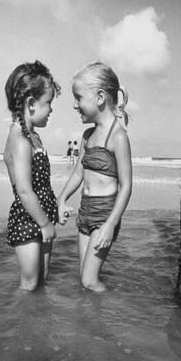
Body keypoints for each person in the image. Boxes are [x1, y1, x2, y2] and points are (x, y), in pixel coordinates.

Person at [58, 62, 132, 292]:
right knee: (83, 278)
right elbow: (79, 172)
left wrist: (110, 224)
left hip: (104, 214)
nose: (75, 105)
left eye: (79, 98)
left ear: (100, 97)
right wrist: (61, 199)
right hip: (85, 211)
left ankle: (114, 316)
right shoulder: (88, 135)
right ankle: (91, 322)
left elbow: (127, 186)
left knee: (89, 280)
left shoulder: (117, 136)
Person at [3, 60, 61, 290]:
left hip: (43, 213)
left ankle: (39, 323)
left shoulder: (33, 137)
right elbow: (25, 190)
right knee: (29, 282)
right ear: (30, 103)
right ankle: (23, 322)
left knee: (42, 277)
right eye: (48, 103)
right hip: (29, 219)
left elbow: (42, 184)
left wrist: (54, 210)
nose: (51, 109)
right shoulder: (19, 140)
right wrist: (45, 223)